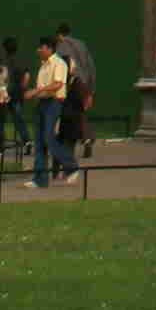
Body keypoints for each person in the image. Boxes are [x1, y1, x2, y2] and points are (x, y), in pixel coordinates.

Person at [28, 33, 71, 187]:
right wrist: (36, 94)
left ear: (49, 48)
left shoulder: (59, 64)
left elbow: (58, 84)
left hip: (54, 103)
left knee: (48, 137)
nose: (38, 50)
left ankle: (71, 166)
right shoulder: (43, 65)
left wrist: (37, 91)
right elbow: (43, 88)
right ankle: (40, 179)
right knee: (39, 141)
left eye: (41, 47)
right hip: (42, 104)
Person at [54, 20, 97, 158]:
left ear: (59, 35)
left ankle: (63, 143)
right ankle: (87, 138)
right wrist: (91, 90)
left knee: (68, 114)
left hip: (70, 85)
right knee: (82, 113)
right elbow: (91, 67)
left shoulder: (60, 47)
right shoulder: (81, 44)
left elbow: (60, 67)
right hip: (84, 84)